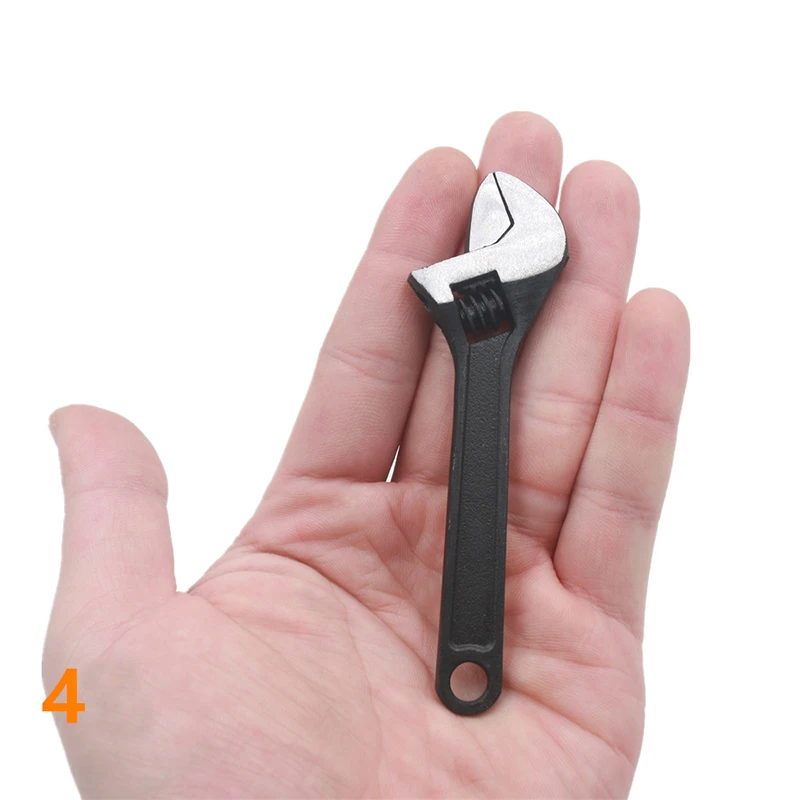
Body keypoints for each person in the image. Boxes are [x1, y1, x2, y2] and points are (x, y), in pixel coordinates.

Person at [43, 112, 690, 798]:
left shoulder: (73, 692)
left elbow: (68, 695)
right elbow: (71, 694)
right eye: (65, 697)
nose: (67, 696)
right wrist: (71, 696)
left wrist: (68, 698)